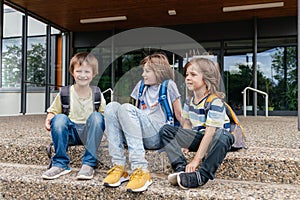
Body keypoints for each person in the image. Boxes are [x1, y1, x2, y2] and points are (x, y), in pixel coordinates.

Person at [102, 53, 182, 192]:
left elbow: (179, 115)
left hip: (158, 135)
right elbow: (136, 111)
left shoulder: (169, 85)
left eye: (147, 71)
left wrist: (186, 140)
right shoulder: (141, 86)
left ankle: (141, 169)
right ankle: (119, 166)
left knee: (126, 108)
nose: (143, 75)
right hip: (141, 135)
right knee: (111, 107)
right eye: (143, 71)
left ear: (159, 72)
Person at [159, 57, 235, 189]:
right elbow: (187, 123)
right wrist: (186, 144)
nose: (188, 78)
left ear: (206, 79)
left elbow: (210, 133)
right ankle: (180, 167)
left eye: (193, 75)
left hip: (215, 140)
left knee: (224, 136)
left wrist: (195, 160)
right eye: (187, 74)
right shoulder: (189, 101)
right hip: (199, 137)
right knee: (166, 130)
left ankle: (201, 176)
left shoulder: (215, 101)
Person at [42, 52, 106, 180]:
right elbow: (53, 111)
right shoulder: (65, 92)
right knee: (59, 118)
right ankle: (60, 163)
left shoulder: (97, 93)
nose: (83, 75)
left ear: (93, 74)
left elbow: (103, 116)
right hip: (70, 133)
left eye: (87, 72)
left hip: (89, 134)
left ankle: (88, 163)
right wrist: (50, 118)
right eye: (79, 71)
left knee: (97, 117)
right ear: (72, 72)